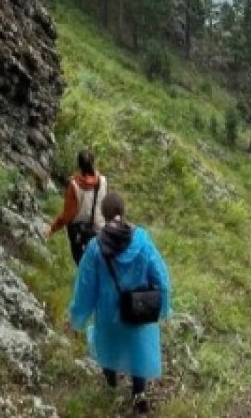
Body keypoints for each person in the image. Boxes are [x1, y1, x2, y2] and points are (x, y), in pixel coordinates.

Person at [68, 192, 170, 414]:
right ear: (123, 212)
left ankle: (111, 381)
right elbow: (160, 276)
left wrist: (78, 314)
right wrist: (162, 303)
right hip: (137, 307)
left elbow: (85, 285)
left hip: (107, 312)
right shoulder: (142, 241)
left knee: (106, 343)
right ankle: (138, 394)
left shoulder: (95, 247)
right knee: (138, 348)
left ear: (103, 216)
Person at [46, 150, 107, 265]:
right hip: (98, 228)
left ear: (78, 165)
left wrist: (53, 228)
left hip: (77, 231)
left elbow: (68, 214)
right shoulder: (103, 181)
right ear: (93, 163)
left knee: (81, 262)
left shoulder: (74, 185)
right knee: (97, 261)